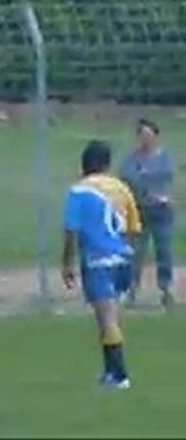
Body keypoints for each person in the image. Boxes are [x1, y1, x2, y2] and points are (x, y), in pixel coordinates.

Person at [62, 140, 141, 390]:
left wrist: (67, 263)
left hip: (98, 261)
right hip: (122, 260)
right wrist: (124, 253)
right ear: (106, 164)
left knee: (107, 318)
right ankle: (110, 372)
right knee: (110, 317)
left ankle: (119, 375)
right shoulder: (121, 188)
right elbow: (133, 228)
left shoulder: (78, 191)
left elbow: (71, 231)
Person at [119, 119, 176, 308]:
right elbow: (127, 177)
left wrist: (146, 179)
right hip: (139, 212)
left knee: (164, 251)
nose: (146, 140)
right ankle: (131, 290)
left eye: (149, 135)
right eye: (142, 135)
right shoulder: (132, 158)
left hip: (161, 212)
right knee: (136, 253)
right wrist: (144, 187)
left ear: (156, 137)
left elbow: (166, 177)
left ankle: (165, 289)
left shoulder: (164, 157)